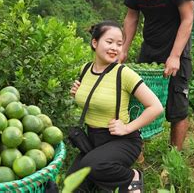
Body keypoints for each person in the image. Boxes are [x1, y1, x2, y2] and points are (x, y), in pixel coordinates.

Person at [68, 20, 164, 192]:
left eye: (119, 44)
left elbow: (156, 107)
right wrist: (77, 94)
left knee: (93, 166)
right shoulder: (85, 69)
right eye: (109, 42)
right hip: (93, 139)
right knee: (72, 184)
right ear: (95, 42)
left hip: (121, 140)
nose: (115, 48)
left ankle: (132, 177)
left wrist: (127, 128)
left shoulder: (123, 73)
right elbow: (95, 98)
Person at [119, 0, 194, 151]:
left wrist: (175, 56)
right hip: (149, 51)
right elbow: (132, 16)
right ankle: (137, 151)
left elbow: (188, 19)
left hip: (176, 51)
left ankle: (174, 158)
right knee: (140, 103)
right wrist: (124, 47)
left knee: (177, 108)